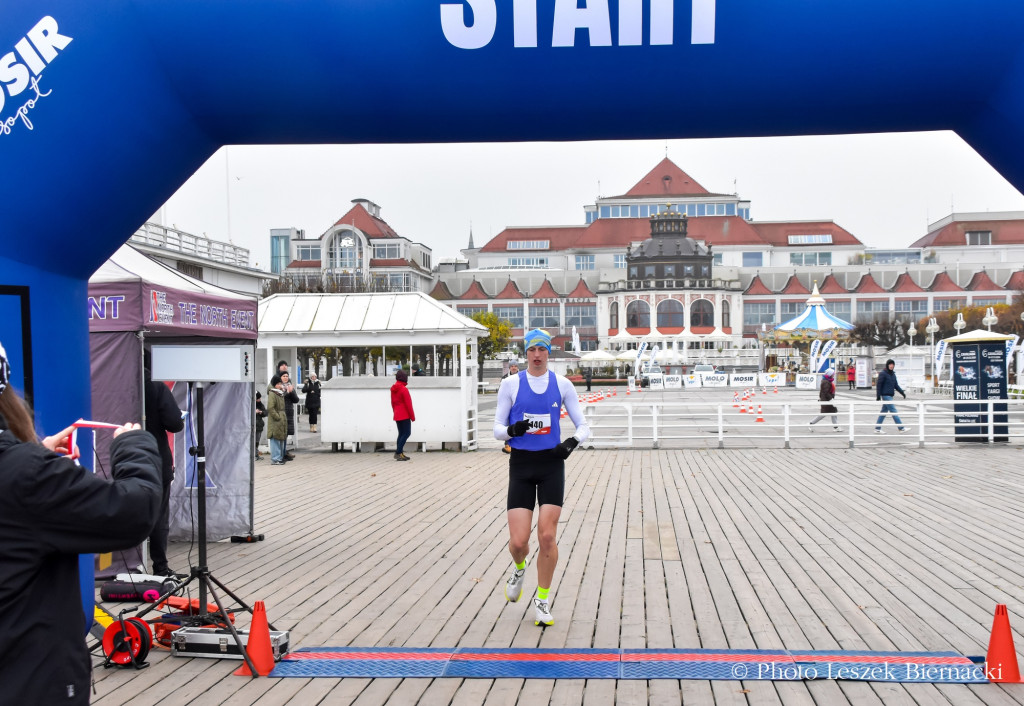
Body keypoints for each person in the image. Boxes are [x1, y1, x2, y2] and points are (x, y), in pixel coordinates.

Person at [0, 341, 162, 705]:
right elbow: (133, 512)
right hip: (26, 682)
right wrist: (134, 447)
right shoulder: (25, 476)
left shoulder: (24, 473)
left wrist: (35, 457)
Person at [493, 329, 590, 627]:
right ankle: (519, 567)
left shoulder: (562, 384)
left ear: (549, 352)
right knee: (519, 542)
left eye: (542, 350)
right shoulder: (510, 384)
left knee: (547, 536)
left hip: (551, 464)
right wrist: (512, 431)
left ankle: (542, 600)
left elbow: (584, 425)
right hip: (521, 466)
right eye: (532, 349)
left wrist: (570, 443)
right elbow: (496, 428)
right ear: (526, 353)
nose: (537, 355)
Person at [143, 354, 186, 577]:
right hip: (155, 458)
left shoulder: (115, 381)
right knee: (159, 515)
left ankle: (124, 565)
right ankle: (160, 567)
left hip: (120, 456)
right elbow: (175, 423)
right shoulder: (156, 386)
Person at [875, 358, 909, 434]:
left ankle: (877, 428)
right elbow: (879, 385)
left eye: (893, 364)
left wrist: (902, 392)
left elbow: (896, 385)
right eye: (890, 364)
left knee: (883, 412)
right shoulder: (883, 373)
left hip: (890, 395)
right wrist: (878, 395)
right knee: (894, 411)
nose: (891, 366)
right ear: (887, 365)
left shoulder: (893, 374)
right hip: (886, 396)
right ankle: (901, 428)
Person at [275, 361, 298, 460]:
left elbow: (296, 399)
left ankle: (284, 452)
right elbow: (277, 397)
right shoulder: (276, 384)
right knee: (281, 434)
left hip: (288, 411)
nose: (285, 378)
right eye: (283, 376)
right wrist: (286, 391)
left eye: (286, 376)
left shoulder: (289, 384)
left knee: (286, 433)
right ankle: (280, 454)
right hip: (280, 411)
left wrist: (291, 391)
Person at [391, 369, 415, 461]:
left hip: (397, 414)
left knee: (401, 434)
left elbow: (392, 403)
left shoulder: (393, 389)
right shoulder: (404, 389)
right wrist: (412, 416)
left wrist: (395, 412)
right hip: (405, 415)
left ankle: (400, 453)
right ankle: (398, 452)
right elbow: (409, 404)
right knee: (407, 433)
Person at [808, 367, 841, 432]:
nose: (834, 374)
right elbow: (825, 392)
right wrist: (831, 399)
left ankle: (836, 427)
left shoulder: (827, 381)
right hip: (827, 400)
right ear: (830, 374)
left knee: (833, 413)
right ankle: (811, 423)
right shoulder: (826, 382)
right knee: (824, 414)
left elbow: (823, 392)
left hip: (827, 400)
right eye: (833, 373)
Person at [500, 361, 520, 454]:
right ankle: (507, 444)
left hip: (518, 404)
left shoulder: (522, 377)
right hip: (507, 404)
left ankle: (518, 444)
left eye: (515, 366)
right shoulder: (504, 378)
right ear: (509, 368)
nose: (514, 368)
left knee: (518, 423)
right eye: (512, 366)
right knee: (507, 424)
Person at [267, 375, 287, 465]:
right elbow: (270, 408)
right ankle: (275, 458)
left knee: (280, 438)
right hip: (276, 420)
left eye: (280, 383)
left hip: (281, 418)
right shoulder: (272, 393)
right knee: (275, 438)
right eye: (278, 384)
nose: (280, 385)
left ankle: (280, 457)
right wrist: (277, 417)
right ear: (274, 384)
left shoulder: (280, 393)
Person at [254, 391, 266, 460]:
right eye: (258, 398)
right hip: (254, 425)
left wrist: (261, 412)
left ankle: (256, 454)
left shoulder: (260, 404)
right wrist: (254, 412)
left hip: (259, 425)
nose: (259, 399)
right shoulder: (250, 404)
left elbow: (265, 412)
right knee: (253, 441)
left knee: (257, 441)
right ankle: (254, 455)